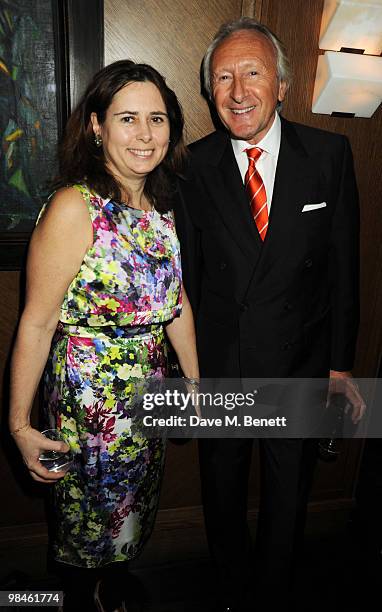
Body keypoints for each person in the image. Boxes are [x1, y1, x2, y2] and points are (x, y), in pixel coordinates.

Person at [175, 18, 366, 612]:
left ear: (281, 83)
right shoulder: (189, 166)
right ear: (208, 91)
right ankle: (231, 589)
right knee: (223, 489)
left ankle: (273, 592)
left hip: (300, 362)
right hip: (223, 366)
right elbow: (185, 282)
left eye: (252, 73)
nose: (238, 91)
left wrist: (339, 366)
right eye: (223, 77)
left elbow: (344, 270)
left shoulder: (331, 154)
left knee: (290, 494)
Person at [9, 59, 199, 612]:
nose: (145, 134)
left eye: (158, 119)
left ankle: (106, 590)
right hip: (89, 406)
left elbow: (176, 302)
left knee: (130, 519)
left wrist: (192, 379)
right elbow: (37, 322)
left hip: (147, 399)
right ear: (96, 126)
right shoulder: (75, 207)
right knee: (83, 533)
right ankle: (70, 598)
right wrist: (19, 424)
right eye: (128, 118)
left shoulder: (159, 207)